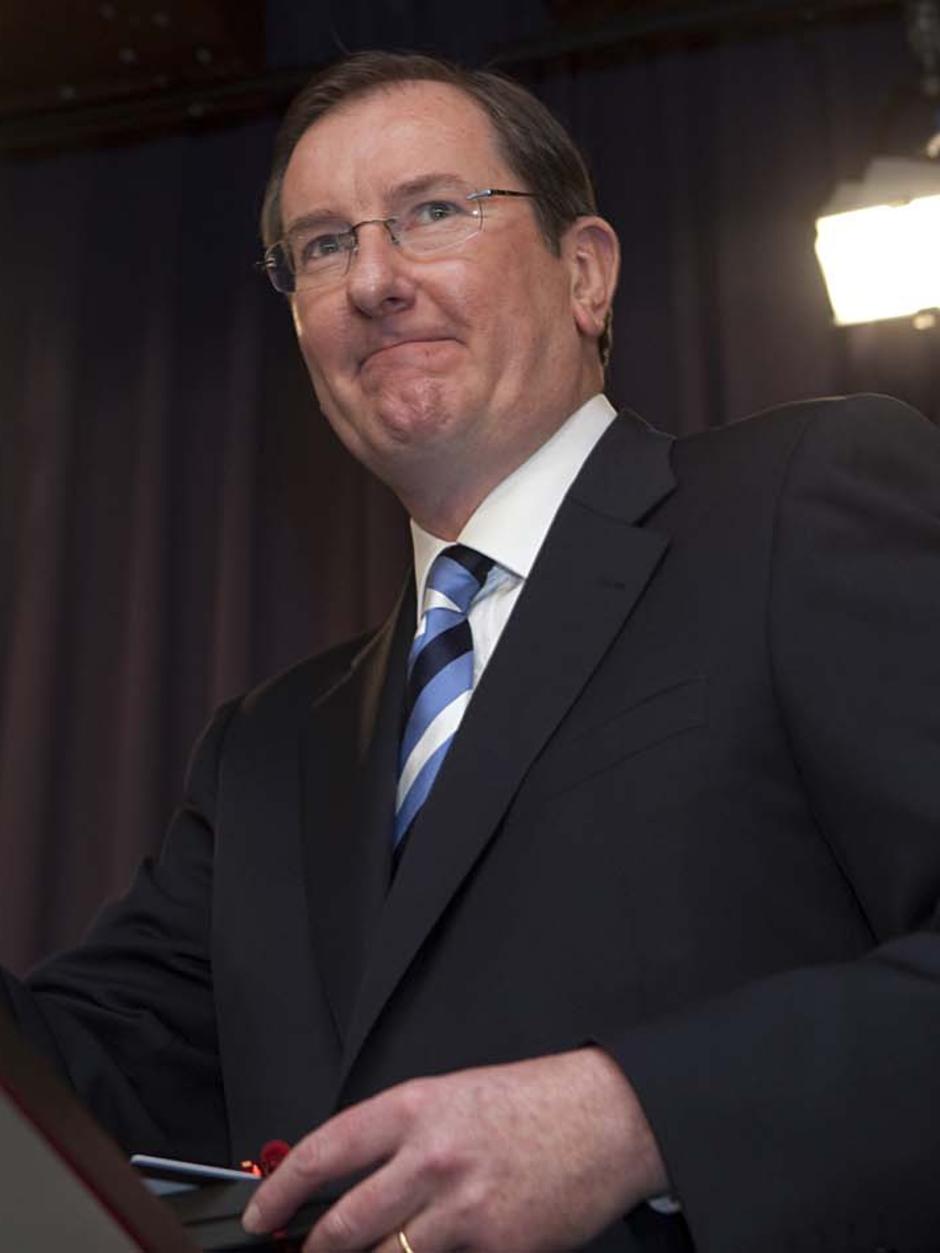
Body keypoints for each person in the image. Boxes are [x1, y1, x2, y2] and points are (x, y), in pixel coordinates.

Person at [4, 49, 940, 1253]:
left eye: (432, 211)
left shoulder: (795, 501)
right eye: (323, 246)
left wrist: (640, 1113)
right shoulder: (267, 749)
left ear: (583, 272)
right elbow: (69, 1076)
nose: (372, 279)